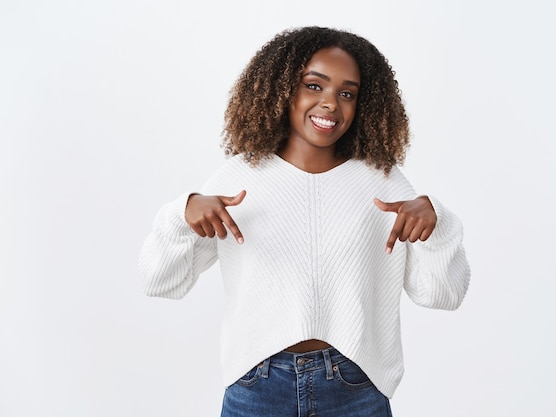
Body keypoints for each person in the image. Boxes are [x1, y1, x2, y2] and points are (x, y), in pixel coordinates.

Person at [138, 26, 470, 417]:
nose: (330, 103)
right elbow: (158, 281)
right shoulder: (239, 178)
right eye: (314, 86)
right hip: (257, 385)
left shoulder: (382, 182)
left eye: (347, 93)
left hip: (355, 387)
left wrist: (436, 224)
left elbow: (442, 294)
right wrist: (183, 214)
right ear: (282, 89)